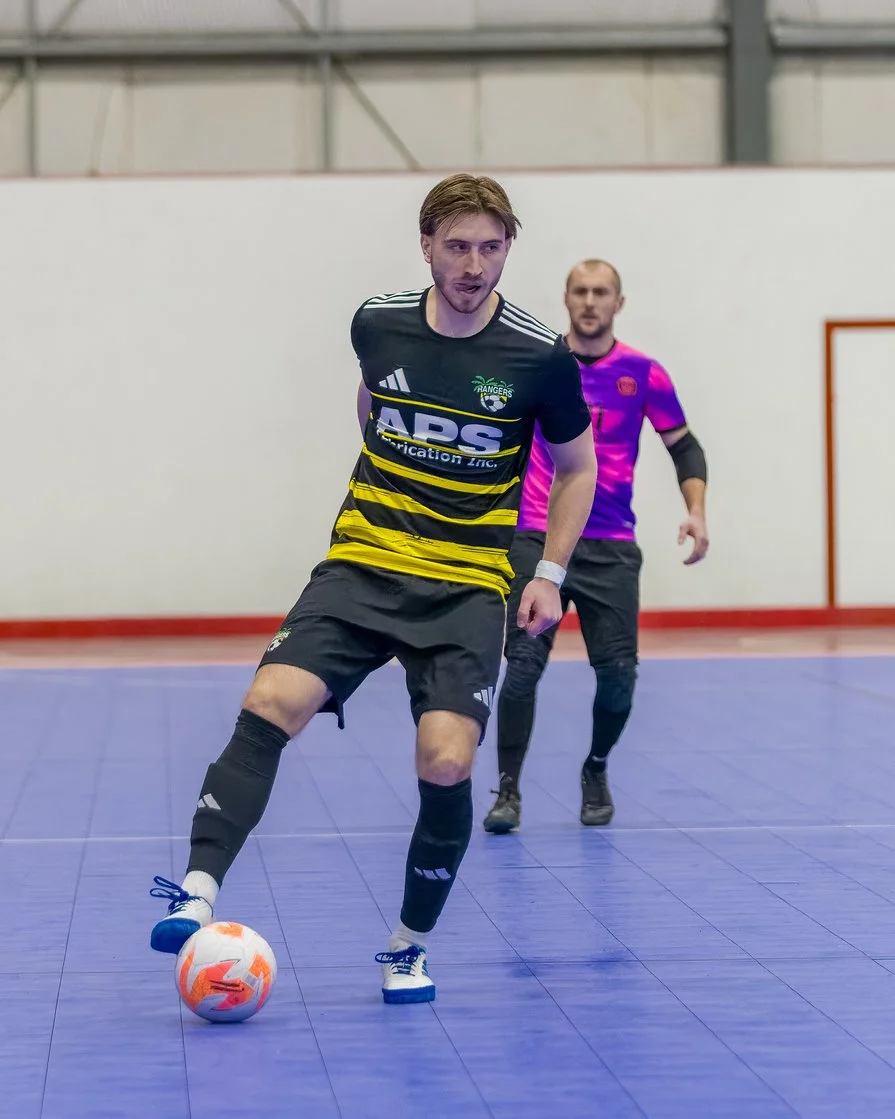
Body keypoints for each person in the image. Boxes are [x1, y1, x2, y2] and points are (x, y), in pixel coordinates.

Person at [148, 175, 597, 1004]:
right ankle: (198, 888)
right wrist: (395, 492)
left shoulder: (538, 356)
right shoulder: (377, 321)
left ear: (507, 250)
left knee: (446, 760)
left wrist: (547, 572)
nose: (472, 264)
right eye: (456, 246)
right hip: (361, 564)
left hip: (465, 585)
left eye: (490, 247)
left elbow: (576, 469)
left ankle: (407, 943)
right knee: (269, 701)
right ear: (425, 245)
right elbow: (375, 400)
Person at [483, 258, 709, 834]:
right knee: (523, 668)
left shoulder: (643, 374)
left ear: (618, 303)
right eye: (580, 291)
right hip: (538, 534)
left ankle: (596, 767)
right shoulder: (539, 363)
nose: (590, 301)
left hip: (610, 544)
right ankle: (508, 788)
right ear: (566, 299)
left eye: (600, 292)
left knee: (618, 675)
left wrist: (696, 513)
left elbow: (684, 446)